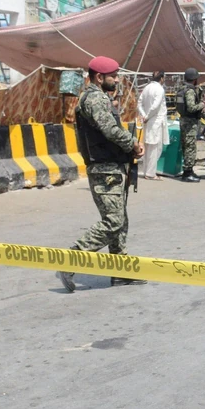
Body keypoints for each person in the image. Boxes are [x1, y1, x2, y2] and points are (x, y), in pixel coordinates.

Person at [57, 56, 147, 292]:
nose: (116, 80)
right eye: (113, 77)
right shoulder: (95, 98)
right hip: (104, 169)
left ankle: (120, 272)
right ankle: (71, 259)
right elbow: (110, 129)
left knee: (120, 222)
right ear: (99, 77)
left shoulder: (98, 97)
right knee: (114, 221)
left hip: (111, 167)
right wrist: (132, 144)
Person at [137, 71, 169, 180]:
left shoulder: (147, 88)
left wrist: (144, 115)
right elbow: (155, 106)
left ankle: (147, 171)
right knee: (155, 148)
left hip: (148, 121)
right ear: (162, 78)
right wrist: (147, 116)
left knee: (149, 147)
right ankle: (151, 173)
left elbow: (139, 103)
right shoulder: (159, 89)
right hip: (155, 121)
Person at [176, 68, 205, 183]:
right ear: (194, 79)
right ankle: (187, 173)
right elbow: (191, 107)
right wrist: (202, 104)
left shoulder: (182, 89)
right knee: (190, 147)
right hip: (190, 123)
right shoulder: (190, 91)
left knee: (186, 146)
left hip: (184, 120)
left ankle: (189, 170)